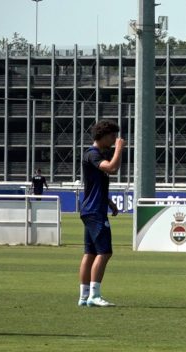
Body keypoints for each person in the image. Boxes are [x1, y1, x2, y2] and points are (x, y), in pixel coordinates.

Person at [77, 119, 123, 307]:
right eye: (112, 136)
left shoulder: (95, 155)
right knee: (105, 252)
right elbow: (112, 168)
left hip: (93, 208)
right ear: (102, 136)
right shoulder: (92, 154)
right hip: (94, 211)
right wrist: (119, 149)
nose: (114, 140)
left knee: (90, 253)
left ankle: (83, 296)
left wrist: (109, 202)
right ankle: (94, 295)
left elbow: (96, 186)